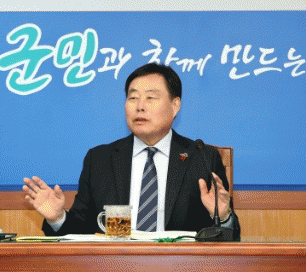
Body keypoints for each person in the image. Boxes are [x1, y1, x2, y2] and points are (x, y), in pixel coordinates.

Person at [23, 63, 240, 237]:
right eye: (133, 97)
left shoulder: (202, 158)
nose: (140, 106)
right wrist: (57, 218)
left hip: (181, 269)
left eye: (151, 98)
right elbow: (82, 232)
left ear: (175, 106)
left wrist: (222, 217)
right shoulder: (100, 159)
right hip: (115, 268)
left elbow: (229, 237)